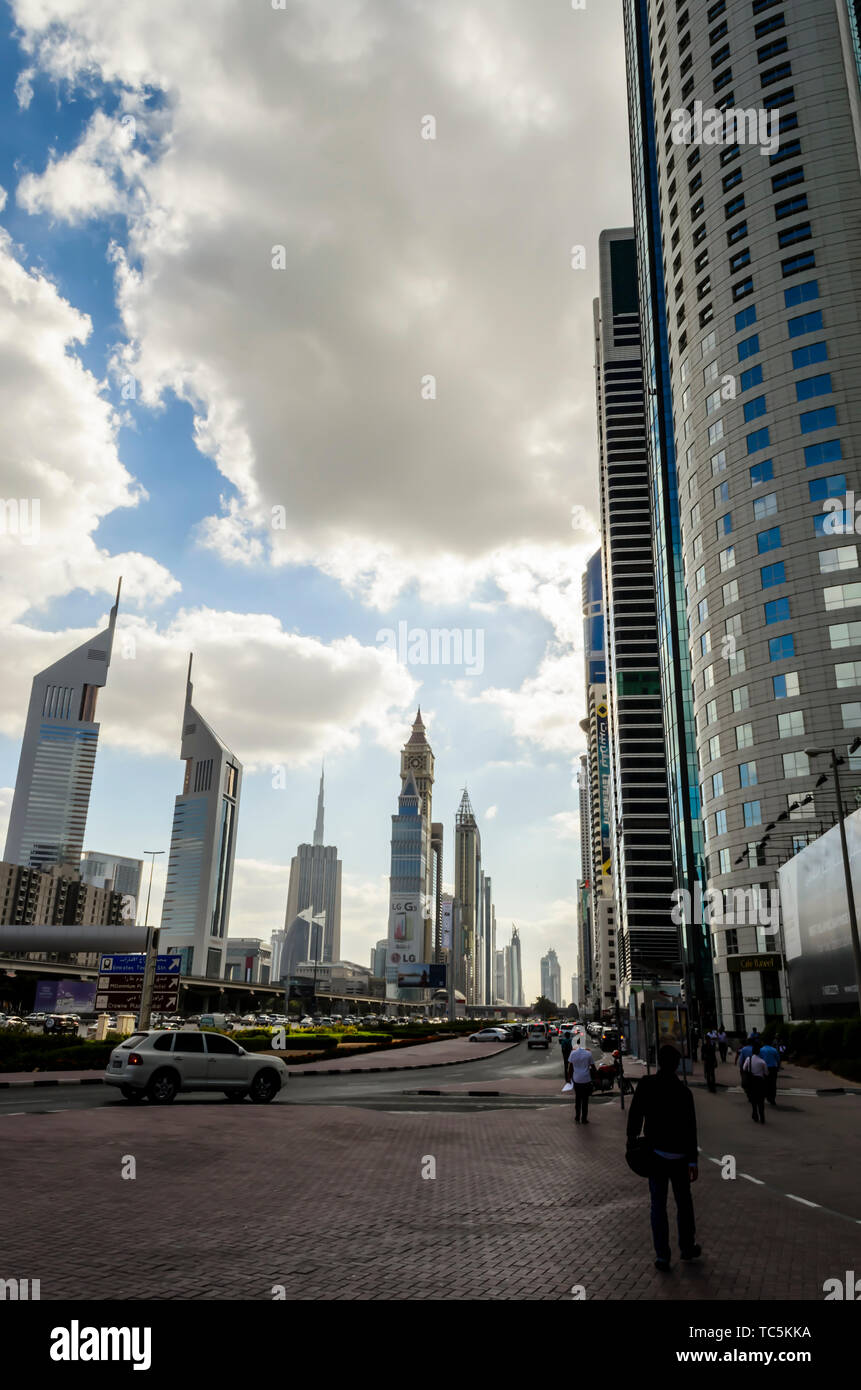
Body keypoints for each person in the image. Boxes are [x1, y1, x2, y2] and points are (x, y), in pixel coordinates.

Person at [626, 1045, 700, 1272]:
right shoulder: (684, 1092)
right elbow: (691, 1128)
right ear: (677, 1065)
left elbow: (635, 1114)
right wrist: (692, 1161)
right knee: (684, 1204)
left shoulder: (647, 1085)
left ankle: (662, 1255)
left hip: (656, 1154)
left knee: (658, 1206)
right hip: (679, 1157)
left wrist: (631, 1141)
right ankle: (686, 1248)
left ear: (658, 1061)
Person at [569, 1036, 594, 1124]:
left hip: (577, 1080)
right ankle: (584, 1119)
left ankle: (577, 1116)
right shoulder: (588, 1053)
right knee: (585, 1100)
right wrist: (596, 1078)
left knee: (578, 1099)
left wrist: (569, 1078)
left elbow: (570, 1067)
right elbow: (593, 1067)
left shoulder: (573, 1053)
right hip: (586, 1079)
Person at [743, 1042, 769, 1123]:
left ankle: (755, 1114)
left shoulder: (748, 1059)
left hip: (751, 1081)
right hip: (760, 1082)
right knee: (761, 1099)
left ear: (752, 1051)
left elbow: (744, 1068)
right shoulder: (762, 1061)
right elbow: (766, 1073)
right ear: (759, 1052)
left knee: (753, 1099)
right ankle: (762, 1116)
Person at [759, 1039, 780, 1107]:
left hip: (764, 1068)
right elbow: (778, 1059)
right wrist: (778, 1068)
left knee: (765, 1083)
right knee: (773, 1083)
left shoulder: (761, 1050)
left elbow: (759, 1059)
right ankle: (772, 1098)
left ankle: (766, 1096)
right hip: (773, 1068)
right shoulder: (774, 1050)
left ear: (763, 1042)